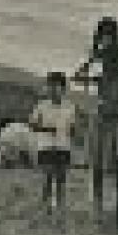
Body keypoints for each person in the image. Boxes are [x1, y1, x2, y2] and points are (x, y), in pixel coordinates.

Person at [74, 15, 118, 225]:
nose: (110, 67)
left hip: (114, 125)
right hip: (102, 123)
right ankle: (98, 207)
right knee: (98, 167)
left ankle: (109, 206)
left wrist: (94, 57)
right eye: (108, 64)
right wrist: (92, 58)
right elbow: (77, 77)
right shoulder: (104, 80)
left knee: (114, 169)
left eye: (112, 65)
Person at [27, 72, 80, 220]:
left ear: (63, 89)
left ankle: (60, 206)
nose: (53, 90)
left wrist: (71, 137)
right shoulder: (42, 106)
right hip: (46, 145)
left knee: (61, 177)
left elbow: (73, 129)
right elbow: (32, 125)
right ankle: (46, 205)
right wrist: (45, 129)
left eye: (56, 87)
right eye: (50, 87)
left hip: (63, 146)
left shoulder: (70, 107)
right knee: (48, 175)